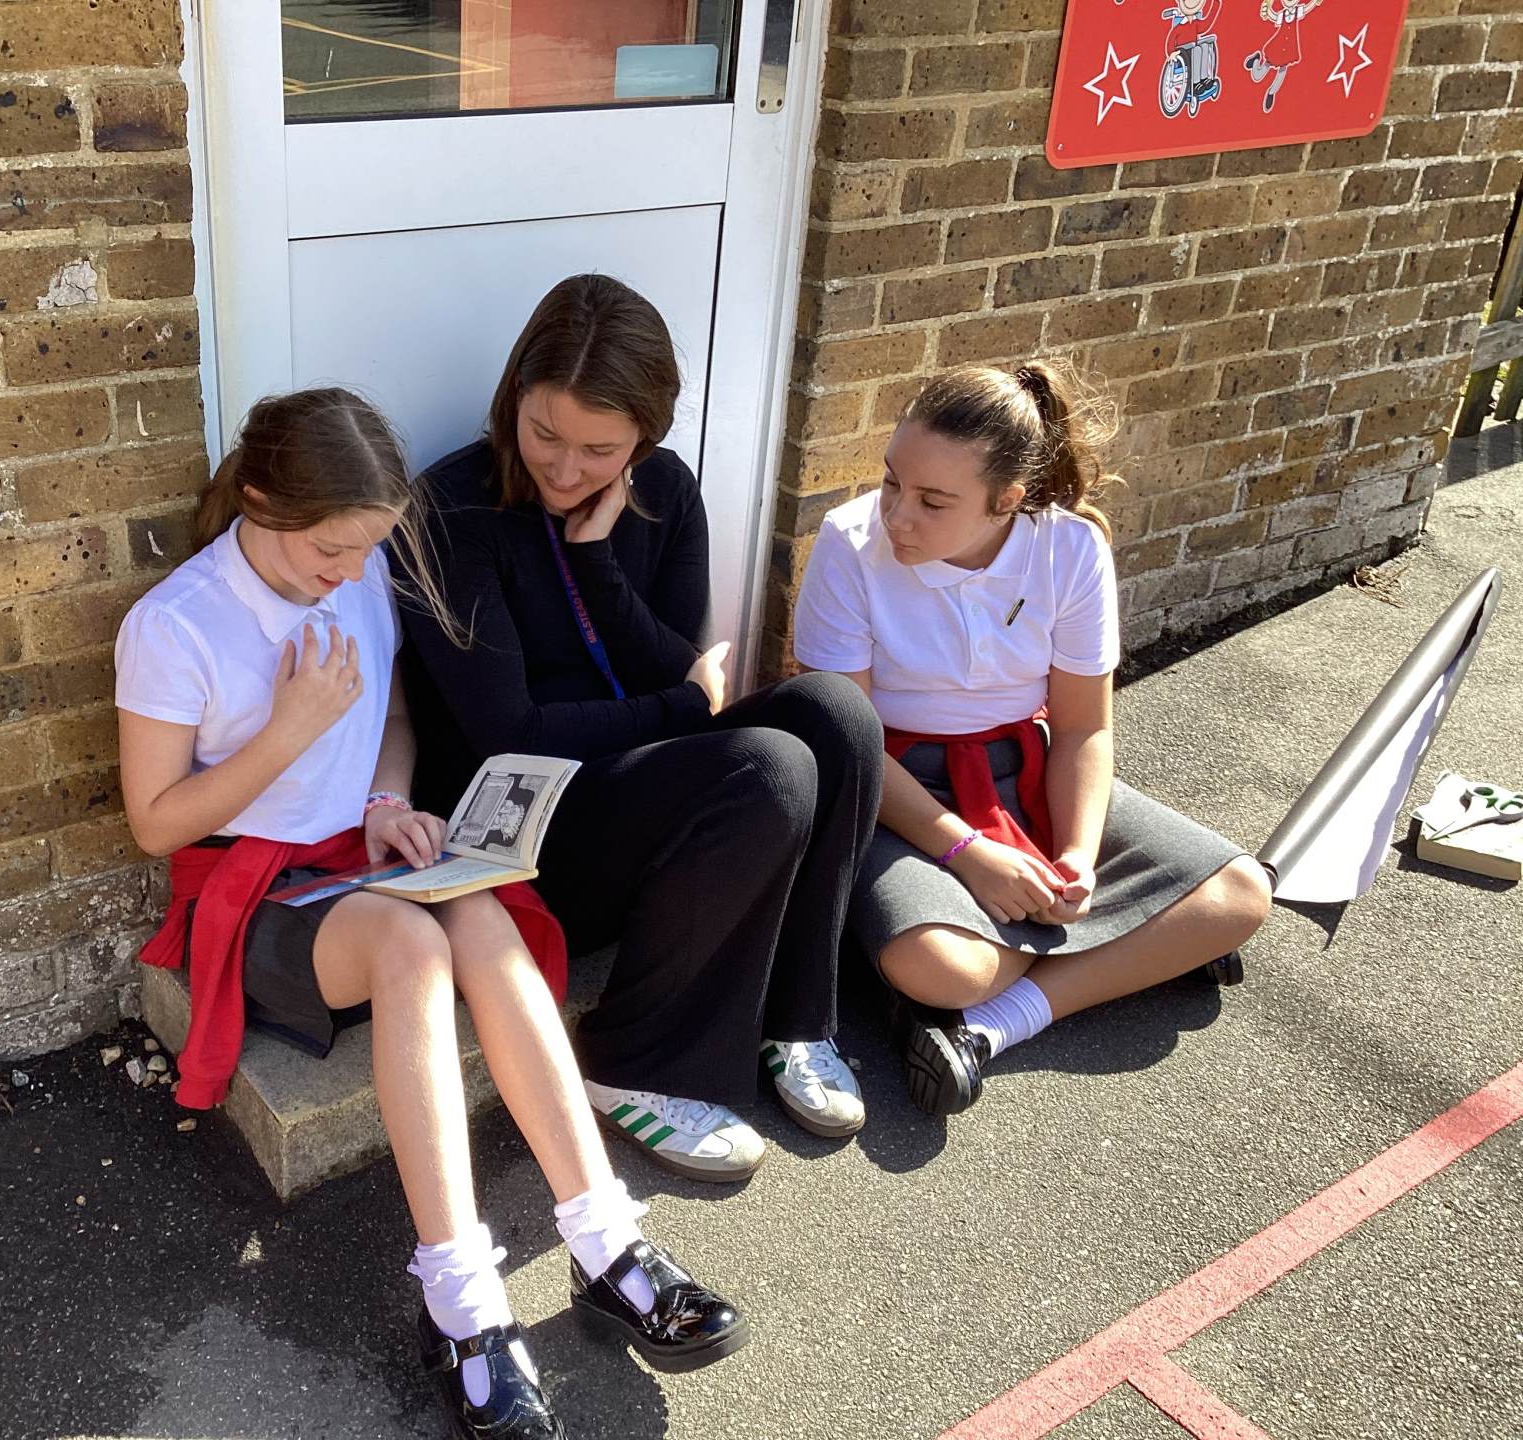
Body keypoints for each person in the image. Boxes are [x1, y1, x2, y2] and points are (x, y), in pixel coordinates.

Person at [115, 388, 745, 1440]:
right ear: (261, 499)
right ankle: (460, 1298)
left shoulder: (356, 577)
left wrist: (386, 801)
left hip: (356, 862)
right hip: (257, 893)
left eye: (368, 550)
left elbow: (395, 714)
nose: (352, 574)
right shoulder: (175, 623)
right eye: (331, 550)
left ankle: (605, 1242)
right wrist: (286, 733)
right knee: (414, 941)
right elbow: (155, 824)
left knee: (481, 911)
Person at [402, 274, 886, 1183]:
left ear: (644, 439)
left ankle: (795, 1019)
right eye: (543, 432)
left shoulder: (662, 492)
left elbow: (669, 661)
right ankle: (634, 1063)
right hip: (512, 822)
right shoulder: (449, 512)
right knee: (767, 767)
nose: (564, 467)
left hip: (632, 787)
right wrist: (686, 712)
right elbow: (511, 730)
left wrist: (596, 564)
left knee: (836, 715)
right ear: (514, 396)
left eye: (599, 448)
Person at [790, 361, 1272, 1116]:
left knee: (1241, 895)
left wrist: (1077, 858)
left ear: (1007, 501)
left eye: (932, 501)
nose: (896, 516)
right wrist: (967, 855)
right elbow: (852, 742)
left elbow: (1081, 727)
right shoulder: (849, 546)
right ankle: (1130, 949)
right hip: (894, 789)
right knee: (941, 968)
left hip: (1027, 771)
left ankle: (991, 1027)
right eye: (892, 483)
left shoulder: (1070, 549)